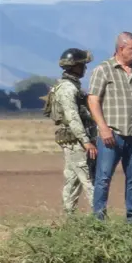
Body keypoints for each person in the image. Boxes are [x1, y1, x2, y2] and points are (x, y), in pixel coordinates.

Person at [87, 32, 132, 223]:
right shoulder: (103, 69)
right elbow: (93, 100)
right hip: (111, 134)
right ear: (120, 49)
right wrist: (103, 128)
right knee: (103, 178)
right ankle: (98, 220)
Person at [45, 48, 98, 214]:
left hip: (73, 140)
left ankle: (69, 219)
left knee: (72, 180)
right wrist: (86, 141)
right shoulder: (68, 89)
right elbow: (73, 117)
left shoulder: (68, 86)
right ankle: (99, 220)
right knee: (89, 181)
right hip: (77, 142)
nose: (85, 68)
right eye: (82, 65)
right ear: (75, 66)